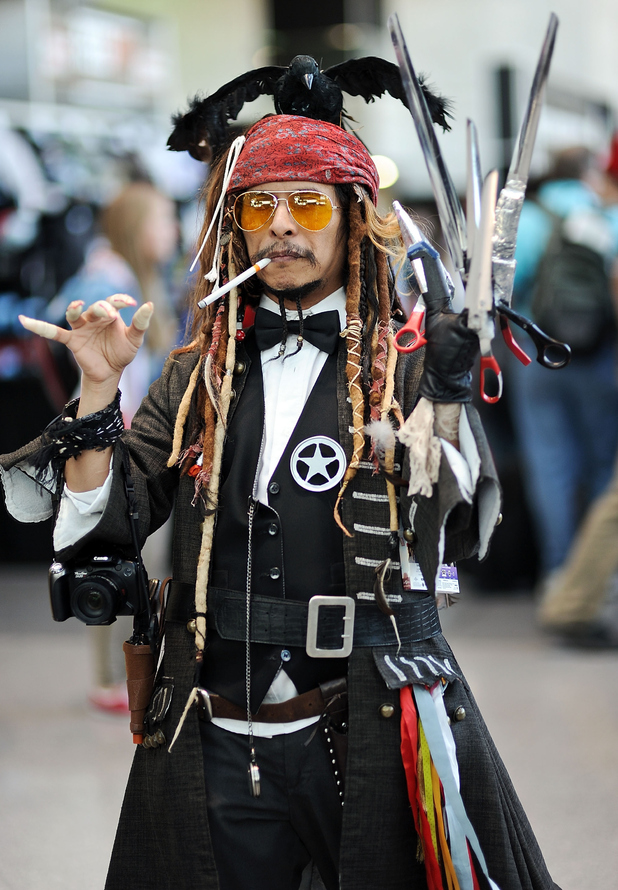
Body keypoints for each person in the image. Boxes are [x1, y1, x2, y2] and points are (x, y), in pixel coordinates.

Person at [0, 113, 560, 890]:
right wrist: (98, 395)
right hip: (216, 721)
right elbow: (117, 520)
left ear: (354, 217)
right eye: (259, 208)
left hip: (370, 714)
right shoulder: (199, 370)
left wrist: (449, 395)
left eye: (308, 204)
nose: (282, 228)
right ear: (234, 226)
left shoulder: (406, 361)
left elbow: (457, 534)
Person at [510, 146, 618, 579]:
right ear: (587, 174)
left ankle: (558, 574)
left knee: (550, 462)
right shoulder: (606, 216)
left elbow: (505, 286)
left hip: (538, 355)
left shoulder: (532, 219)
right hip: (599, 357)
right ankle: (599, 581)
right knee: (601, 466)